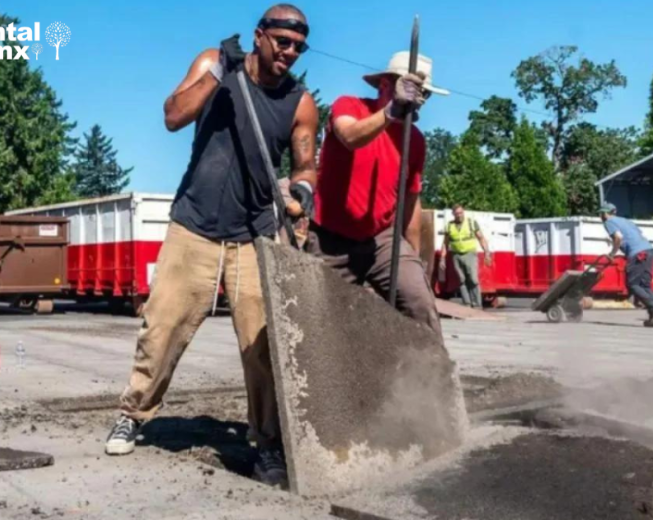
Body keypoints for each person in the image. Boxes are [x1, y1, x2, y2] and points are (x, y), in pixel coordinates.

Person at [103, 4, 320, 490]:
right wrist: (219, 72)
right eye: (282, 42)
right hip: (194, 225)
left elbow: (307, 165)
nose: (289, 53)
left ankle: (267, 444)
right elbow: (172, 116)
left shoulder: (300, 102)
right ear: (260, 36)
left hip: (255, 235)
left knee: (263, 346)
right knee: (161, 329)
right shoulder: (214, 65)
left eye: (298, 48)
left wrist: (301, 193)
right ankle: (132, 414)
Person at [307, 51, 449, 338]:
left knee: (418, 303)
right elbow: (349, 137)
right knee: (320, 324)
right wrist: (391, 111)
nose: (417, 98)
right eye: (410, 88)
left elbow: (410, 202)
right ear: (385, 84)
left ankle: (430, 378)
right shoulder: (349, 105)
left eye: (423, 94)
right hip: (330, 239)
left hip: (381, 240)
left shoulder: (415, 140)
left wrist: (416, 258)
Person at [600, 202, 653, 327]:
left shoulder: (608, 222)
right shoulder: (626, 221)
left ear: (604, 213)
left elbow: (618, 238)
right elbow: (638, 235)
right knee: (645, 284)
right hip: (649, 250)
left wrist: (612, 254)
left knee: (632, 284)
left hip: (638, 253)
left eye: (601, 213)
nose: (600, 216)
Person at [440, 204, 492, 309]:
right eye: (457, 213)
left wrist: (487, 252)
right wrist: (442, 259)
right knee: (461, 280)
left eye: (461, 213)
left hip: (470, 254)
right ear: (453, 214)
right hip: (456, 255)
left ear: (463, 212)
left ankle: (477, 304)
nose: (459, 215)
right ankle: (467, 304)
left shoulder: (471, 223)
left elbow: (481, 238)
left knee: (473, 279)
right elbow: (445, 244)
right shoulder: (449, 226)